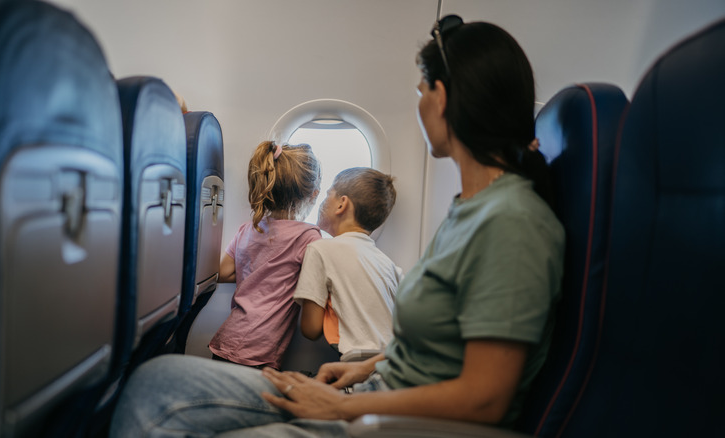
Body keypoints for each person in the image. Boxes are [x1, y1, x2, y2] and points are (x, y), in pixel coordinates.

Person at [109, 17, 564, 437]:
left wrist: (342, 408)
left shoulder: (512, 223)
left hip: (388, 420)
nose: (419, 102)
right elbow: (436, 351)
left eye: (421, 89)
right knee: (155, 381)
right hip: (370, 392)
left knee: (157, 400)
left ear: (441, 98)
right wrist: (362, 371)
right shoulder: (471, 210)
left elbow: (486, 397)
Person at [208, 140, 322, 370]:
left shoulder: (249, 228)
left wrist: (258, 272)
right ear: (313, 194)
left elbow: (223, 272)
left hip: (228, 337)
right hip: (256, 351)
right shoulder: (308, 237)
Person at [294, 167, 401, 357]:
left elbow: (311, 329)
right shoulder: (390, 266)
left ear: (341, 204)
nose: (323, 201)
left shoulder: (320, 250)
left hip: (357, 363)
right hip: (392, 362)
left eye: (328, 194)